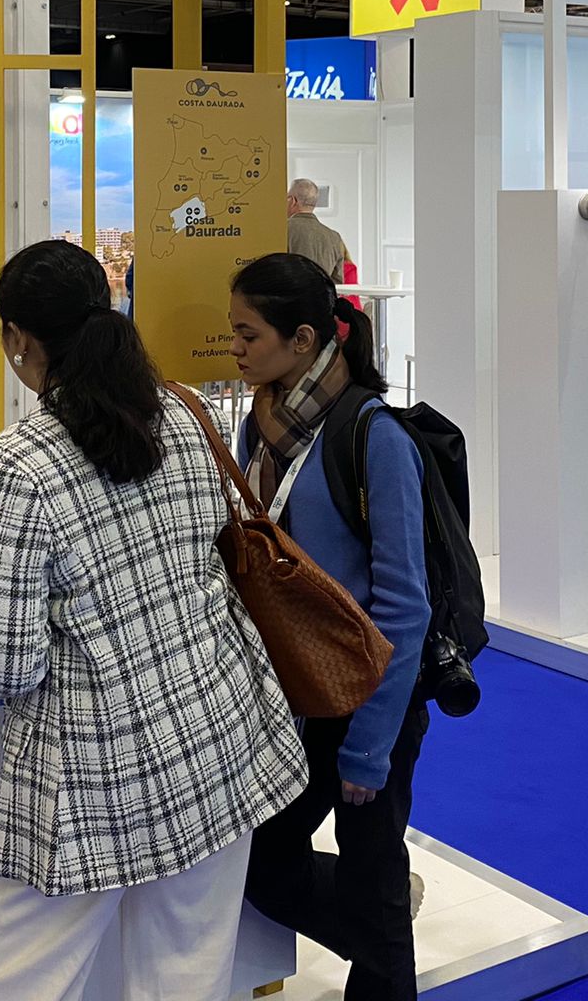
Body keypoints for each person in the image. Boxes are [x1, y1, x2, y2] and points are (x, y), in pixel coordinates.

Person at [0, 240, 306, 1001]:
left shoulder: (13, 468)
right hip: (215, 727)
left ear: (18, 338)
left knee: (21, 984)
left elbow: (3, 666)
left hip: (89, 771)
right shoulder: (182, 411)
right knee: (189, 972)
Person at [230, 252, 431, 1001]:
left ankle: (383, 945)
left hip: (369, 699)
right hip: (294, 698)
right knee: (266, 863)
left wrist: (370, 746)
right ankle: (383, 933)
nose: (235, 348)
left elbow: (405, 606)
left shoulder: (374, 435)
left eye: (248, 334)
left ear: (304, 339)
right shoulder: (259, 428)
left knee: (372, 880)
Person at [286, 178, 350, 282]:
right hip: (323, 292)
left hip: (290, 292)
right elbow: (337, 282)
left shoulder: (282, 231)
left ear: (293, 201)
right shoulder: (334, 237)